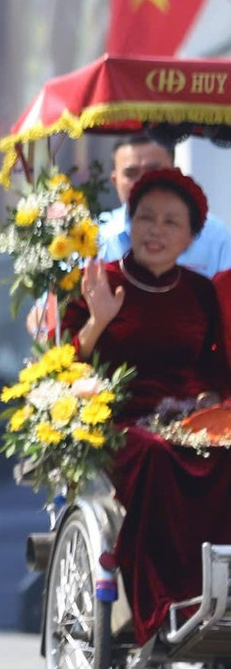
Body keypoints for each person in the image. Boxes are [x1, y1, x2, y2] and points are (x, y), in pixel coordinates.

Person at [62, 168, 231, 644]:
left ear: (192, 237)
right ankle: (160, 601)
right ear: (128, 223)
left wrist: (208, 401)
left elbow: (213, 371)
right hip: (114, 419)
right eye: (146, 218)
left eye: (170, 223)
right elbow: (64, 368)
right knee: (155, 455)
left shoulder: (200, 293)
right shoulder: (98, 280)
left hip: (187, 420)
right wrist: (97, 322)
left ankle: (215, 600)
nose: (155, 231)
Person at [95, 133, 231, 272]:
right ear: (115, 180)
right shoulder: (95, 236)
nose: (142, 181)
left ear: (175, 173)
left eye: (153, 171)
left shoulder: (215, 236)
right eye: (131, 173)